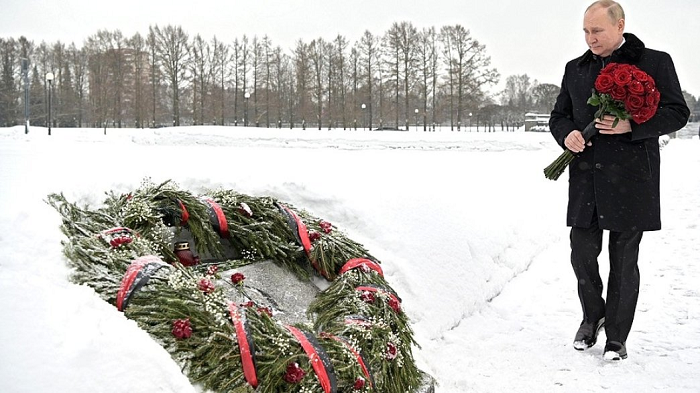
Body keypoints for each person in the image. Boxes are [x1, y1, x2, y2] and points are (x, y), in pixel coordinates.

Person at [549, 0, 690, 361]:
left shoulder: (655, 62)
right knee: (581, 252)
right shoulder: (575, 69)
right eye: (585, 31)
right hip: (585, 177)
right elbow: (559, 116)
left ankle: (617, 336)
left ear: (620, 25)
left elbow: (677, 112)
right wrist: (567, 135)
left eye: (597, 31)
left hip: (632, 177)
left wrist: (634, 125)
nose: (590, 38)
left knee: (623, 258)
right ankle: (592, 316)